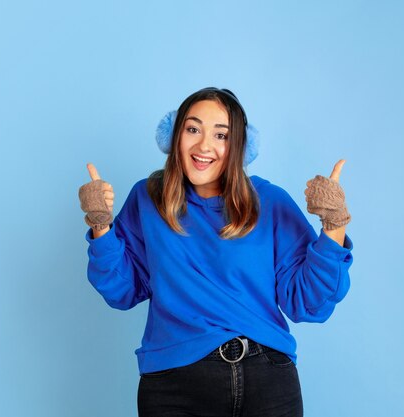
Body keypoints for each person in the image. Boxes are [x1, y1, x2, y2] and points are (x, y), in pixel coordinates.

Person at [78, 87, 354, 417]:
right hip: (173, 384)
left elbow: (307, 302)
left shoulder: (269, 201)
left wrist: (334, 224)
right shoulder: (147, 199)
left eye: (221, 135)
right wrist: (100, 226)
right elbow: (122, 290)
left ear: (238, 147)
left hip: (266, 379)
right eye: (192, 129)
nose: (204, 145)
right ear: (174, 137)